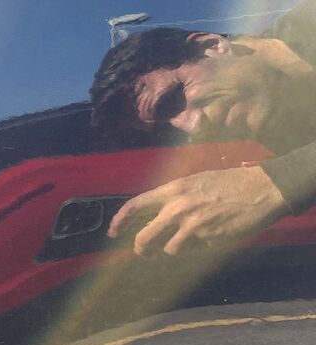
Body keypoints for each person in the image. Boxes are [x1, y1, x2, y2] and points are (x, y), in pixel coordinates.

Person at [90, 0, 316, 256]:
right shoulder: (278, 127)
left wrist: (271, 185)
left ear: (212, 45)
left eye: (171, 100)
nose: (194, 127)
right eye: (169, 130)